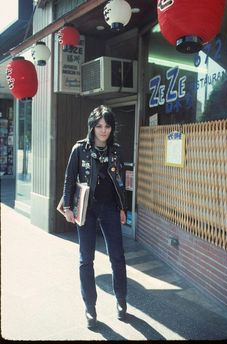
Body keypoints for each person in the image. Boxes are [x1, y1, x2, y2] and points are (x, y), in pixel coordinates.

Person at [62, 105, 127, 329]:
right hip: (86, 209)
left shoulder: (116, 150)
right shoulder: (79, 149)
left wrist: (122, 208)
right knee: (86, 259)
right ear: (92, 126)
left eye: (107, 126)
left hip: (109, 208)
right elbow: (69, 179)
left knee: (117, 256)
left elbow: (120, 183)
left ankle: (121, 300)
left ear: (111, 128)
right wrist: (68, 206)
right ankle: (90, 307)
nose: (103, 130)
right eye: (99, 126)